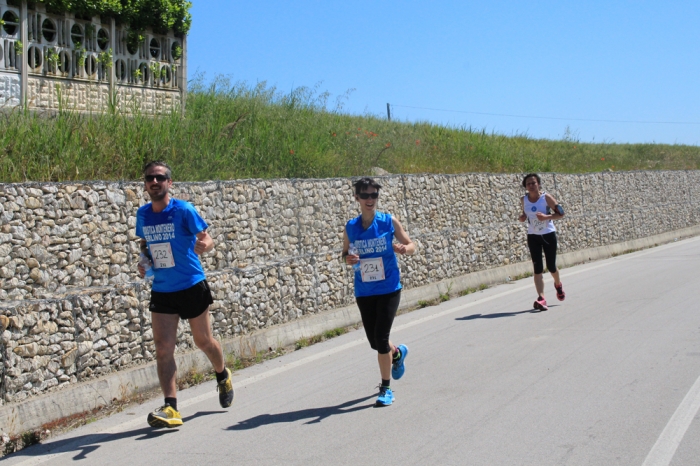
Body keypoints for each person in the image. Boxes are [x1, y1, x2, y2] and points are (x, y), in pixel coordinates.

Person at [135, 161, 234, 428]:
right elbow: (146, 244)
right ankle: (171, 408)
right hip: (163, 288)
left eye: (159, 178)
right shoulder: (143, 215)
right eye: (149, 178)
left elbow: (207, 238)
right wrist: (144, 261)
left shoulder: (184, 210)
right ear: (145, 184)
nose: (154, 182)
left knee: (203, 341)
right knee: (163, 349)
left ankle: (222, 375)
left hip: (191, 284)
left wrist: (206, 245)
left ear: (169, 182)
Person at [342, 177, 416, 407]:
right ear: (357, 198)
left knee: (381, 338)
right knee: (375, 343)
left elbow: (411, 244)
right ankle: (397, 354)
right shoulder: (351, 227)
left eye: (374, 195)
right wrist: (348, 259)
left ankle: (385, 388)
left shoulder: (388, 221)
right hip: (364, 290)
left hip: (388, 288)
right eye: (365, 195)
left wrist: (404, 249)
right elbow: (345, 254)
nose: (370, 199)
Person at [518, 173, 566, 311]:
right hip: (533, 236)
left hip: (548, 234)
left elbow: (561, 214)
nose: (531, 186)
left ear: (538, 184)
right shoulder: (524, 199)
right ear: (525, 187)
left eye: (534, 183)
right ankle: (541, 298)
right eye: (528, 184)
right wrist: (522, 217)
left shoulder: (546, 198)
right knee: (537, 268)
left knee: (551, 266)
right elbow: (526, 214)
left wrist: (546, 217)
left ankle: (558, 284)